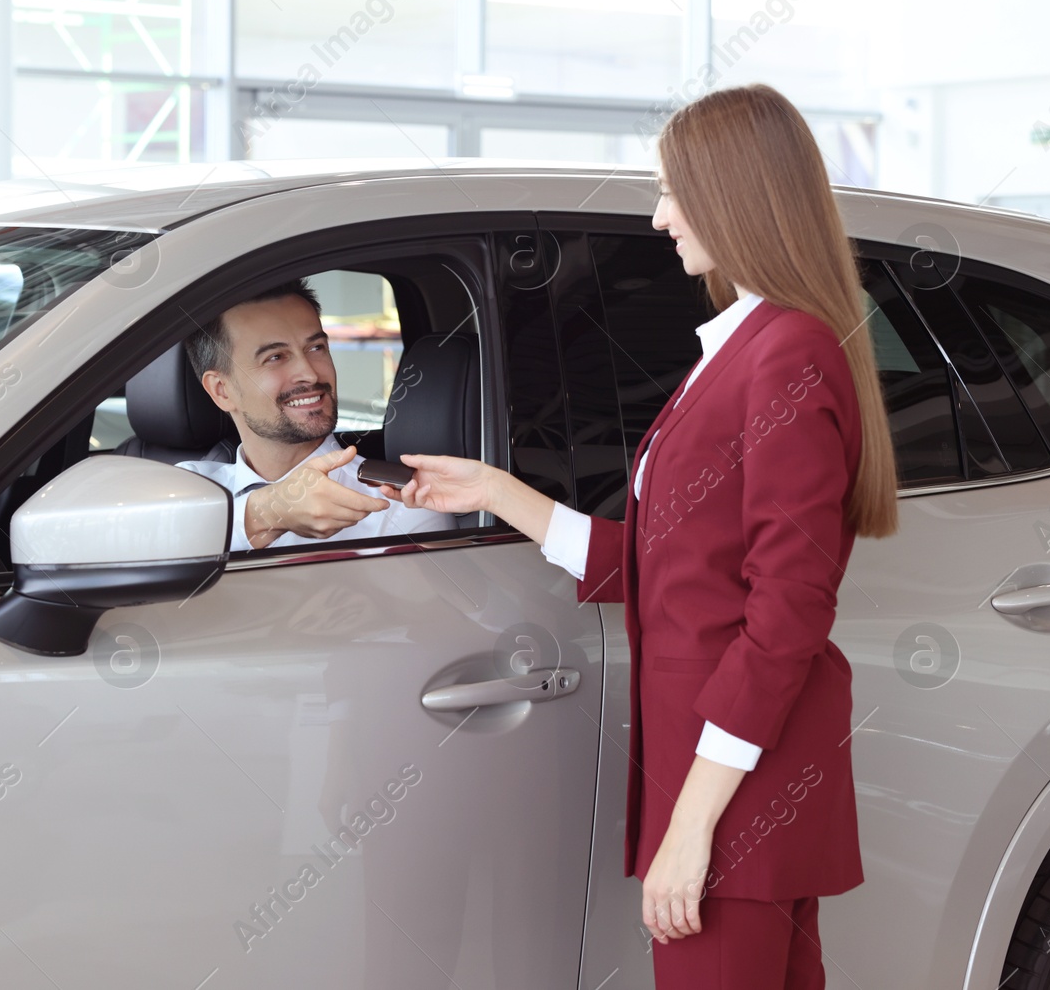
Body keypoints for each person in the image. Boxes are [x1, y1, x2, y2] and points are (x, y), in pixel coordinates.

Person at [376, 83, 899, 989]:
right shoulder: (753, 345)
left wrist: (694, 825)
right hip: (744, 784)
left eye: (673, 190)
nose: (659, 219)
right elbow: (674, 568)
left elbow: (788, 609)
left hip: (734, 794)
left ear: (739, 193)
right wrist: (500, 490)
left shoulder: (784, 353)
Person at [176, 278, 455, 552]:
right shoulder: (186, 488)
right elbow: (141, 543)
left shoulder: (402, 506)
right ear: (222, 390)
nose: (310, 373)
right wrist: (267, 514)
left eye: (316, 348)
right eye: (276, 357)